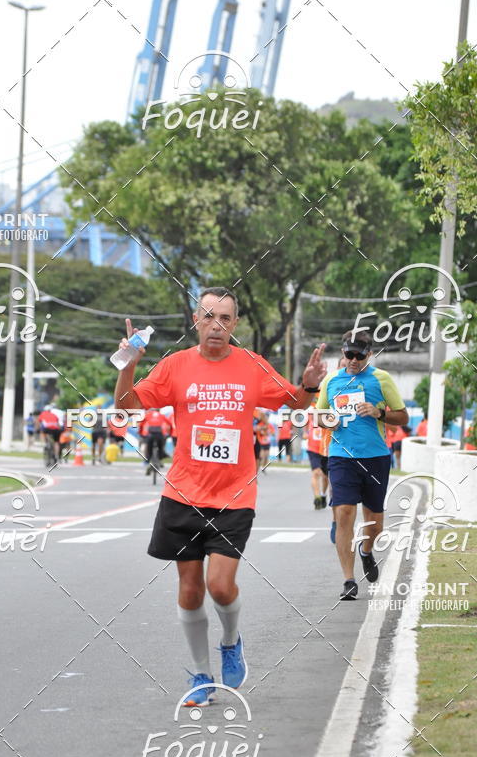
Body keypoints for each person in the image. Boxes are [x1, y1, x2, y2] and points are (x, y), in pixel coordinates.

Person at [114, 287, 327, 707]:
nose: (217, 325)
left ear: (235, 325)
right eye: (209, 316)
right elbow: (126, 407)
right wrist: (128, 366)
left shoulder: (251, 366)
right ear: (196, 320)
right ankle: (201, 676)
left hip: (235, 496)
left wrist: (308, 386)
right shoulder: (175, 366)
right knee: (190, 592)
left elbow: (293, 403)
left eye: (225, 318)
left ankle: (230, 640)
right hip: (183, 494)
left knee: (220, 586)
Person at [316, 330, 408, 601]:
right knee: (344, 512)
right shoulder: (332, 380)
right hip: (341, 456)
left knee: (375, 523)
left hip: (376, 457)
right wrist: (327, 420)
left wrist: (378, 412)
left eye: (359, 355)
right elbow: (319, 415)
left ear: (369, 354)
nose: (353, 360)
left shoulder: (382, 379)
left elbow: (402, 416)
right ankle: (348, 580)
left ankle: (367, 551)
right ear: (343, 353)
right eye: (349, 355)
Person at [305, 415, 328, 509]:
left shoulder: (328, 412)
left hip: (325, 449)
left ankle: (323, 495)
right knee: (316, 472)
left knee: (325, 476)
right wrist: (305, 433)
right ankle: (317, 498)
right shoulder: (309, 414)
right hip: (313, 449)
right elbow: (304, 426)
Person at [139, 408, 167, 474]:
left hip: (148, 435)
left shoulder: (148, 416)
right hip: (159, 434)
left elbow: (142, 426)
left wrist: (141, 433)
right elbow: (166, 426)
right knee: (161, 445)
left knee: (147, 447)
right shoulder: (161, 416)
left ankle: (147, 460)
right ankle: (160, 459)